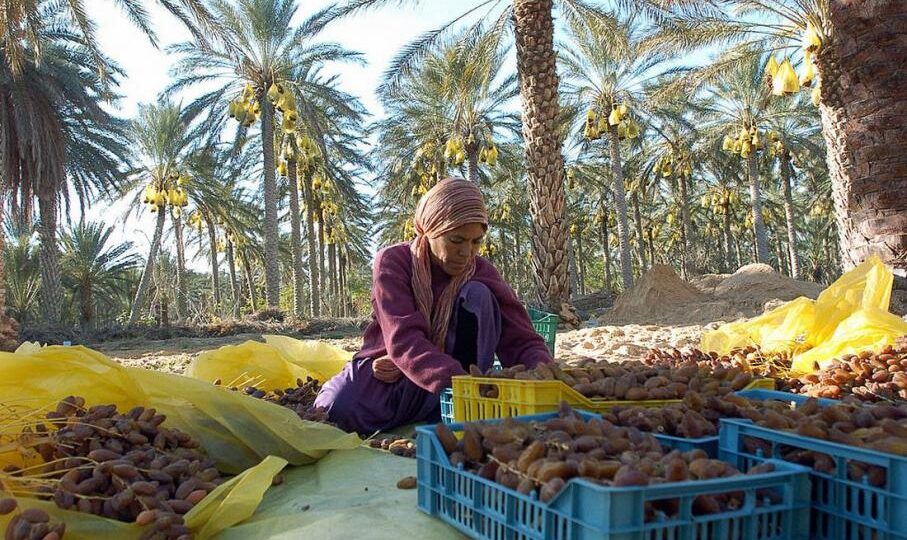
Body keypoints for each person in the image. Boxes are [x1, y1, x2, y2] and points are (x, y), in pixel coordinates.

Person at [314, 178, 554, 434]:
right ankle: (447, 402)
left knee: (479, 294)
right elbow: (404, 340)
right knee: (336, 408)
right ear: (429, 231)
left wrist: (545, 375)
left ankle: (455, 406)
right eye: (456, 240)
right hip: (400, 372)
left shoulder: (481, 271)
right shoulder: (394, 262)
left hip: (459, 384)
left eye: (476, 242)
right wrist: (461, 383)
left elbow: (521, 338)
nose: (467, 252)